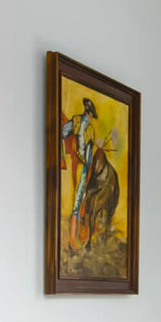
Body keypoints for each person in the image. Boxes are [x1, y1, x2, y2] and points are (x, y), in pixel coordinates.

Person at [60, 98, 99, 250]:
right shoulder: (76, 121)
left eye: (90, 115)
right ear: (87, 112)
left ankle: (77, 235)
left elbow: (89, 155)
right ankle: (71, 238)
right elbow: (63, 132)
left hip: (84, 168)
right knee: (76, 200)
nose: (89, 117)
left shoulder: (91, 130)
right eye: (89, 114)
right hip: (76, 164)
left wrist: (88, 171)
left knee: (81, 199)